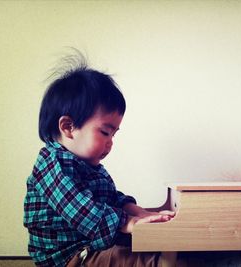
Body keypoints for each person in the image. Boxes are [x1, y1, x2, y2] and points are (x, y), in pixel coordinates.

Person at [23, 52, 174, 267]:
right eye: (105, 132)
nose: (111, 142)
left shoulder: (91, 166)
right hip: (69, 256)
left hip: (92, 243)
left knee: (151, 242)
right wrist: (127, 222)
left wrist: (137, 211)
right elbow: (80, 208)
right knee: (147, 260)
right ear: (68, 127)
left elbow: (111, 198)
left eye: (114, 134)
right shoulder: (51, 163)